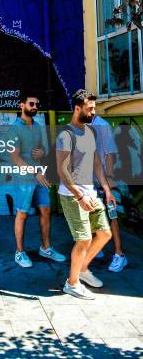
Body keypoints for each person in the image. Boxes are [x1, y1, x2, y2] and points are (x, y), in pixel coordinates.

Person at [56, 89, 115, 300]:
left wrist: (106, 188)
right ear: (77, 108)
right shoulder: (66, 134)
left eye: (94, 108)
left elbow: (97, 162)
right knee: (83, 239)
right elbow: (61, 170)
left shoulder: (90, 132)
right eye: (90, 109)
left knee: (105, 233)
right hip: (72, 195)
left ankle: (81, 270)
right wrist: (79, 196)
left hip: (91, 192)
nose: (93, 112)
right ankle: (72, 284)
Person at [10, 93, 66, 268]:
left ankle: (46, 248)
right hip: (25, 178)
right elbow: (15, 158)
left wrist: (42, 153)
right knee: (23, 213)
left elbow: (42, 149)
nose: (35, 106)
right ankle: (19, 252)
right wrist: (35, 173)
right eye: (31, 103)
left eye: (37, 104)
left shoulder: (38, 125)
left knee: (46, 210)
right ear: (22, 105)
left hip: (39, 175)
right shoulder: (14, 128)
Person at [91, 114, 127, 272]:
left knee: (112, 215)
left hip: (105, 178)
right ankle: (97, 248)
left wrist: (110, 177)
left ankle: (119, 255)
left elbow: (110, 153)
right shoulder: (81, 123)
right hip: (90, 179)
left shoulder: (102, 125)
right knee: (93, 213)